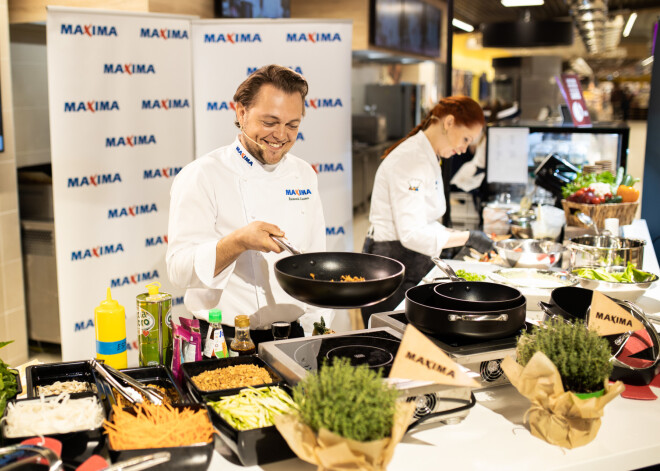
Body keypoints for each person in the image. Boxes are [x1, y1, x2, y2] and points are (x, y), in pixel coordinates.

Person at [166, 64, 329, 345]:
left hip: (293, 336)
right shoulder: (202, 175)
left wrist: (318, 327)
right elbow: (178, 271)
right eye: (269, 123)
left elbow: (314, 261)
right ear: (241, 112)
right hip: (224, 339)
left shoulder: (304, 174)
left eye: (293, 125)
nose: (281, 135)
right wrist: (238, 242)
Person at [361, 96, 492, 327]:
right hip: (390, 268)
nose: (463, 149)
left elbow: (424, 218)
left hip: (407, 263)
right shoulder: (411, 160)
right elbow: (411, 234)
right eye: (465, 139)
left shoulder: (428, 155)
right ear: (449, 122)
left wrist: (457, 235)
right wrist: (468, 238)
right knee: (389, 347)